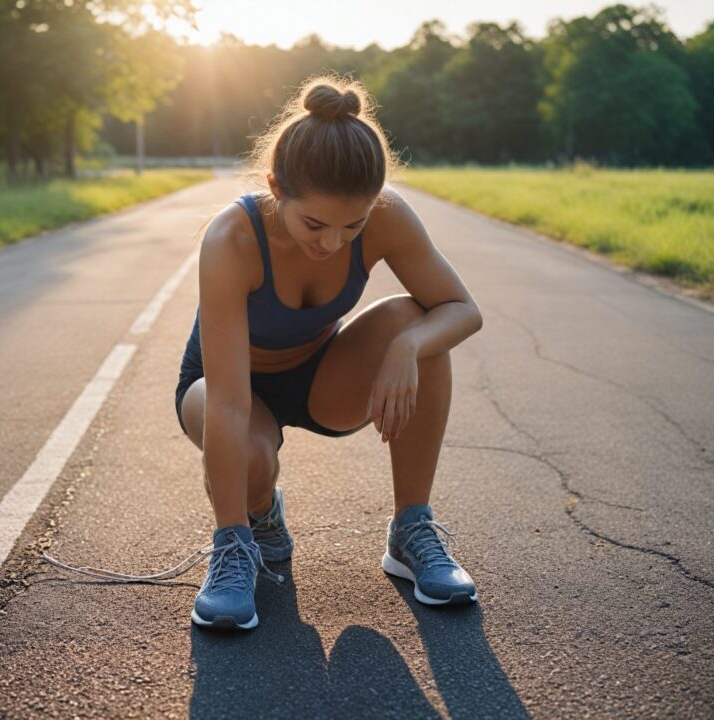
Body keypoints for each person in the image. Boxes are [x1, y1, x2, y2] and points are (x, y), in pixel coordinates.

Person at [172, 74, 484, 630]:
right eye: (314, 223)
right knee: (251, 458)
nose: (332, 242)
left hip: (322, 378)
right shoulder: (231, 240)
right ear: (275, 187)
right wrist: (230, 532)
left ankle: (411, 530)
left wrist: (406, 348)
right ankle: (246, 535)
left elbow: (462, 308)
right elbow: (227, 403)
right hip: (226, 386)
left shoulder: (386, 215)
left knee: (417, 318)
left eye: (353, 225)